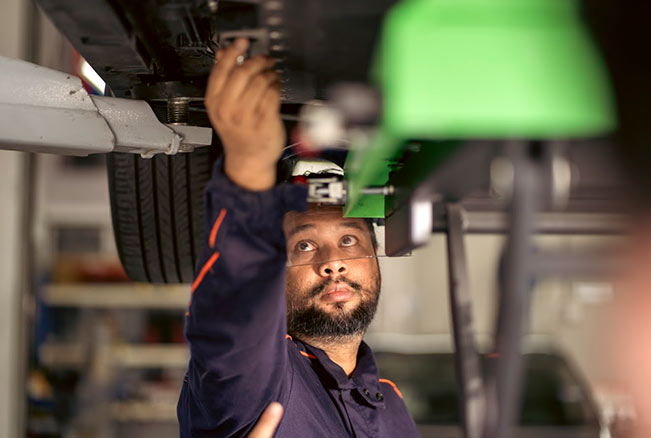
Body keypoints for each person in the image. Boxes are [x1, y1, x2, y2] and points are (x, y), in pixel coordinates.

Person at [177, 37, 419, 437]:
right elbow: (234, 322)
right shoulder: (259, 385)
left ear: (375, 257)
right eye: (304, 245)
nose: (333, 263)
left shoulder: (388, 403)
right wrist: (249, 170)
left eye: (349, 240)